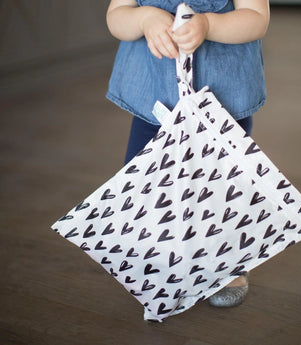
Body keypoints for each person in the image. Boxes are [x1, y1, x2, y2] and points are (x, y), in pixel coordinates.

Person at [105, 0, 270, 308]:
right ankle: (160, 253)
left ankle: (225, 263)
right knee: (146, 181)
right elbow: (116, 17)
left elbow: (257, 18)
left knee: (221, 188)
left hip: (222, 100)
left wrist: (209, 25)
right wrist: (144, 18)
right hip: (155, 99)